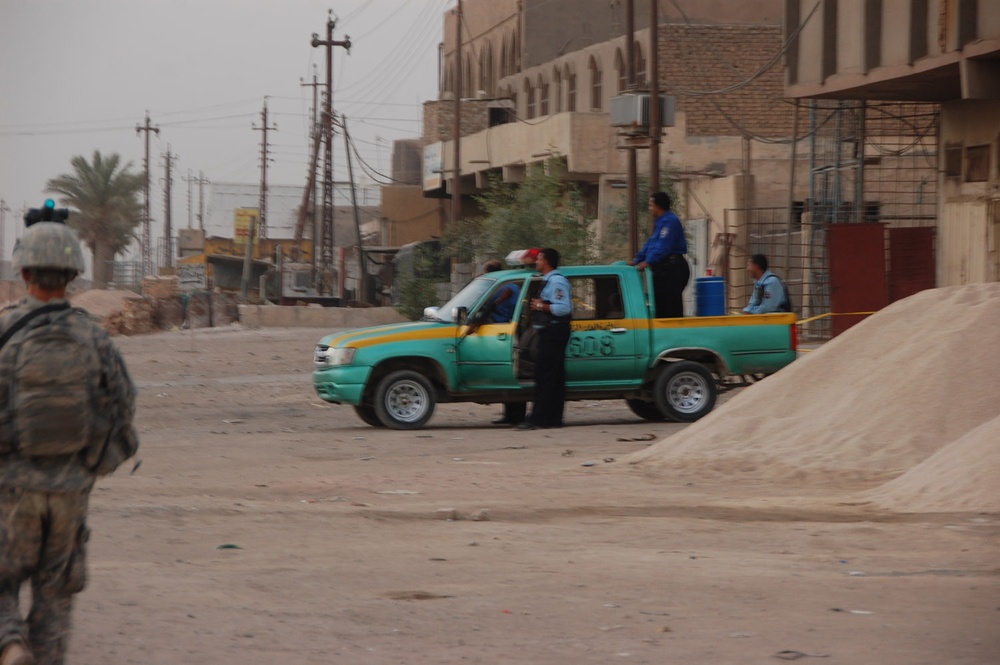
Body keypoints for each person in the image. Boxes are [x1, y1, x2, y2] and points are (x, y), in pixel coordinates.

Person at [0, 220, 139, 665]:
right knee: (56, 592)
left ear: (24, 274)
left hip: (11, 491)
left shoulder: (4, 332)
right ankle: (39, 652)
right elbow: (122, 404)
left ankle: (9, 641)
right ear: (73, 276)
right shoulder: (93, 335)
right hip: (70, 492)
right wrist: (96, 464)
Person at [516, 248, 572, 430]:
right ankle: (553, 418)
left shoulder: (556, 281)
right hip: (550, 331)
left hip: (554, 331)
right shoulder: (548, 280)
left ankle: (538, 418)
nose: (536, 262)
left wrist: (542, 306)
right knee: (554, 377)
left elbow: (564, 308)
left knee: (545, 376)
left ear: (546, 261)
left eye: (539, 259)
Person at [480, 261, 528, 425]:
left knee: (511, 373)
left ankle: (515, 415)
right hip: (512, 330)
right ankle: (511, 415)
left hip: (506, 331)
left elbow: (486, 308)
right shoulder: (510, 286)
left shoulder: (501, 288)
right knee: (509, 373)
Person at [630, 191, 690, 318]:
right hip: (663, 268)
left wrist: (649, 261)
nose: (649, 208)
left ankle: (673, 333)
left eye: (651, 205)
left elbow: (663, 246)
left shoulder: (670, 221)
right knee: (660, 304)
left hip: (673, 268)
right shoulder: (660, 223)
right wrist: (637, 260)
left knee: (670, 305)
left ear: (658, 206)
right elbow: (650, 245)